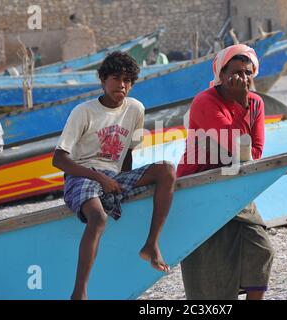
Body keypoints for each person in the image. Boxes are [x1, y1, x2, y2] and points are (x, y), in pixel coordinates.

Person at [52, 51, 176, 300]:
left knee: (167, 170)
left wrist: (120, 184)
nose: (122, 84)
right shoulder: (83, 111)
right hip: (81, 176)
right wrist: (101, 179)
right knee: (98, 218)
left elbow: (128, 153)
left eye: (128, 79)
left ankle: (151, 244)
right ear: (102, 80)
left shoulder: (136, 109)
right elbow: (59, 159)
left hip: (113, 176)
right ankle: (80, 292)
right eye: (116, 77)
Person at [176, 44, 275, 300]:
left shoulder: (257, 103)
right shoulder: (205, 101)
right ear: (221, 75)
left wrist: (245, 102)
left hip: (235, 184)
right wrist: (242, 104)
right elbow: (237, 146)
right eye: (235, 72)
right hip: (200, 185)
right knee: (210, 263)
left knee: (260, 249)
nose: (242, 78)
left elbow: (255, 152)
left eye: (247, 72)